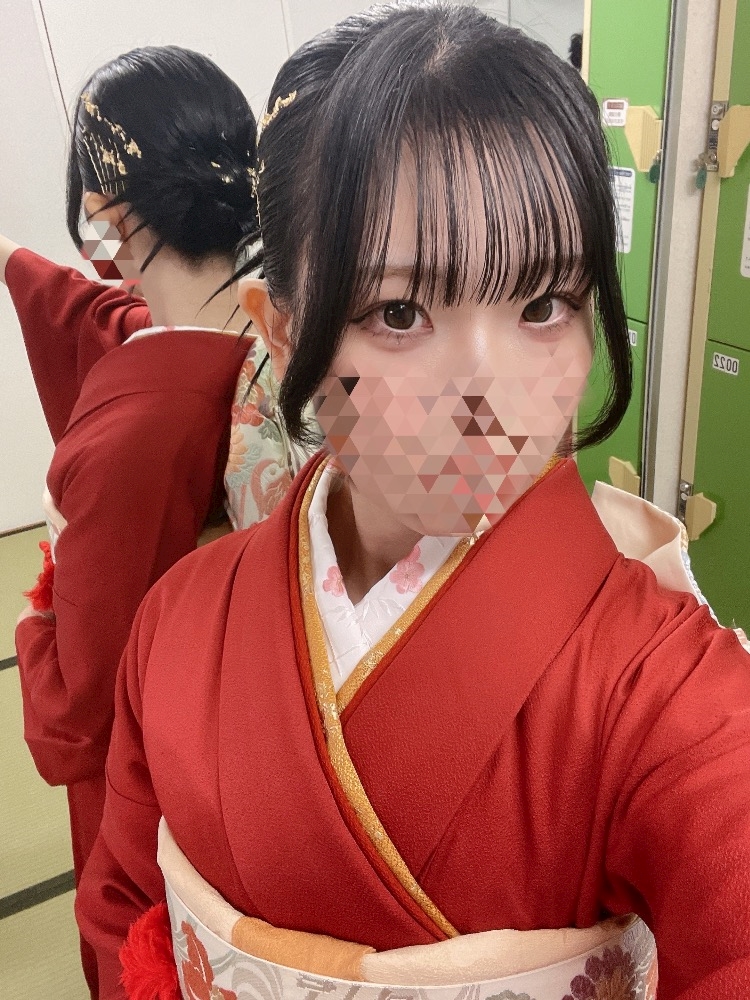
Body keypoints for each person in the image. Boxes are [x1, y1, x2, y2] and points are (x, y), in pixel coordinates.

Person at [76, 6, 750, 1000]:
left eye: (544, 305)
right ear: (282, 330)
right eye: (400, 312)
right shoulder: (179, 622)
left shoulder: (665, 694)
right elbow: (126, 910)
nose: (489, 398)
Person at [1, 46, 269, 998]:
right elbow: (101, 314)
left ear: (105, 210)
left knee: (136, 940)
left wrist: (37, 622)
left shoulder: (138, 439)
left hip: (146, 761)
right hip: (238, 725)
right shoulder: (263, 332)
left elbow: (83, 713)